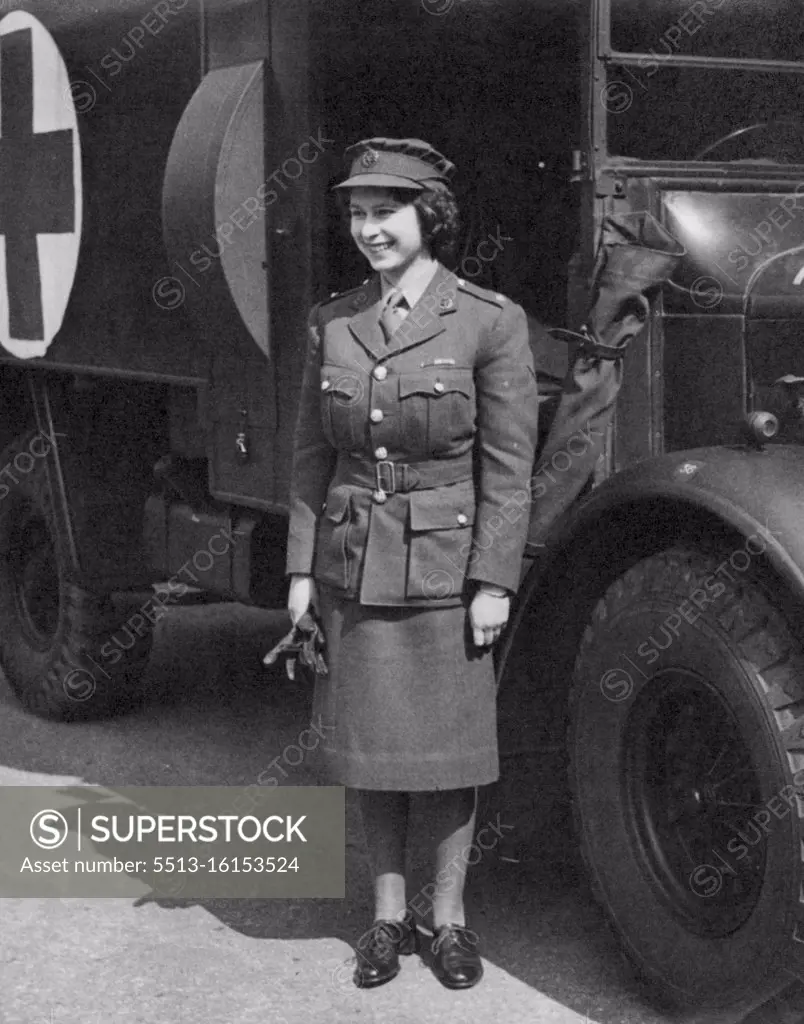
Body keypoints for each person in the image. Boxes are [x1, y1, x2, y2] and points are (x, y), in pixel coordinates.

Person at [285, 137, 538, 990]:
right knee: (370, 752)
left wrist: (493, 581)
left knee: (448, 756)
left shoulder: (488, 320)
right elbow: (309, 459)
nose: (369, 229)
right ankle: (386, 920)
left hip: (445, 566)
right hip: (352, 563)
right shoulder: (332, 320)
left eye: (385, 213)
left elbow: (508, 469)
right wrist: (297, 574)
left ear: (428, 216)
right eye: (357, 215)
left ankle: (451, 922)